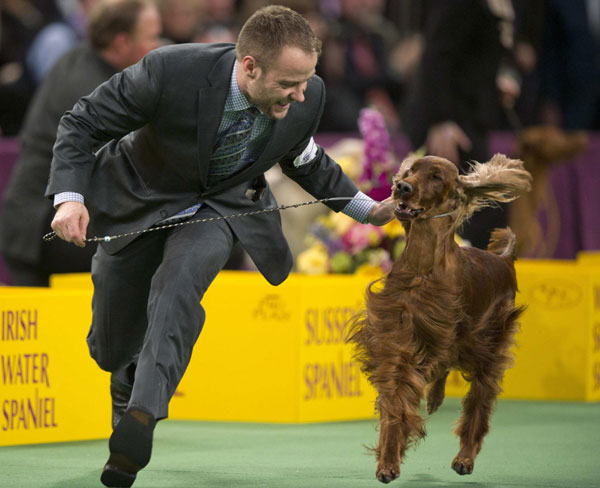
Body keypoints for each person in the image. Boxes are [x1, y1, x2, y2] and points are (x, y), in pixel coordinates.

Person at [45, 5, 394, 487]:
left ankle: (142, 416)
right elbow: (81, 123)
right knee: (110, 347)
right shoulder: (170, 70)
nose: (300, 94)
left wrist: (368, 209)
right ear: (249, 65)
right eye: (289, 83)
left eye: (306, 82)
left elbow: (305, 159)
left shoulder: (305, 95)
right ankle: (125, 375)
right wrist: (69, 198)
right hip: (138, 204)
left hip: (219, 210)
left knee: (180, 285)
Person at [0, 0, 162, 286]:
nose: (159, 46)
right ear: (122, 42)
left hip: (41, 221)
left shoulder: (86, 58)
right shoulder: (88, 87)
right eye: (151, 37)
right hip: (41, 226)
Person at [402, 0, 519, 249]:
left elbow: (475, 56)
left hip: (470, 118)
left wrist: (497, 80)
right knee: (460, 209)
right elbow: (436, 56)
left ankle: (468, 278)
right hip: (450, 123)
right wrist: (440, 120)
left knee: (478, 208)